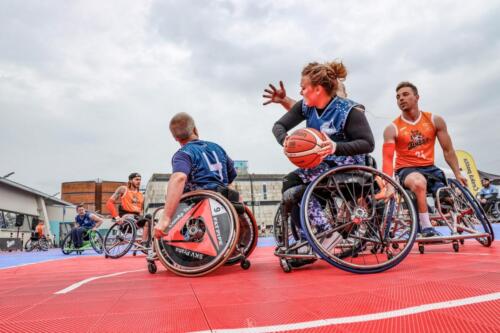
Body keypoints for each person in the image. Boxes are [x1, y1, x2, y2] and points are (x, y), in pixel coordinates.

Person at [264, 61, 375, 264]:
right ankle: (317, 237)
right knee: (291, 184)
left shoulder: (350, 110)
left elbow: (368, 143)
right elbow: (279, 125)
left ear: (318, 89)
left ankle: (321, 237)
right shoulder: (307, 107)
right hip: (322, 166)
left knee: (300, 188)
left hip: (347, 165)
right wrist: (285, 139)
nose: (300, 91)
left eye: (303, 87)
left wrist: (335, 147)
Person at [382, 81, 467, 237]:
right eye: (398, 97)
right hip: (406, 169)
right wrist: (388, 185)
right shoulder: (392, 128)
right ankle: (426, 227)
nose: (401, 99)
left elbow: (448, 150)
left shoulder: (435, 120)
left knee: (446, 197)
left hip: (430, 167)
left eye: (405, 94)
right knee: (419, 182)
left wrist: (457, 173)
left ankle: (454, 217)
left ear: (417, 97)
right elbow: (387, 159)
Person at [154, 112, 238, 238]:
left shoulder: (183, 154)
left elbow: (179, 178)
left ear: (175, 138)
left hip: (198, 205)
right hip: (224, 201)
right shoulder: (217, 148)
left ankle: (157, 250)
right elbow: (231, 177)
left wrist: (166, 218)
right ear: (195, 129)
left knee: (159, 214)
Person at [106, 172, 149, 244]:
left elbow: (142, 211)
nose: (139, 182)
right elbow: (109, 203)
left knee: (150, 219)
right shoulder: (123, 189)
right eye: (137, 179)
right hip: (126, 217)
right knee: (132, 216)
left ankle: (145, 242)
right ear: (130, 181)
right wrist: (117, 217)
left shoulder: (141, 195)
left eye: (140, 180)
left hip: (137, 218)